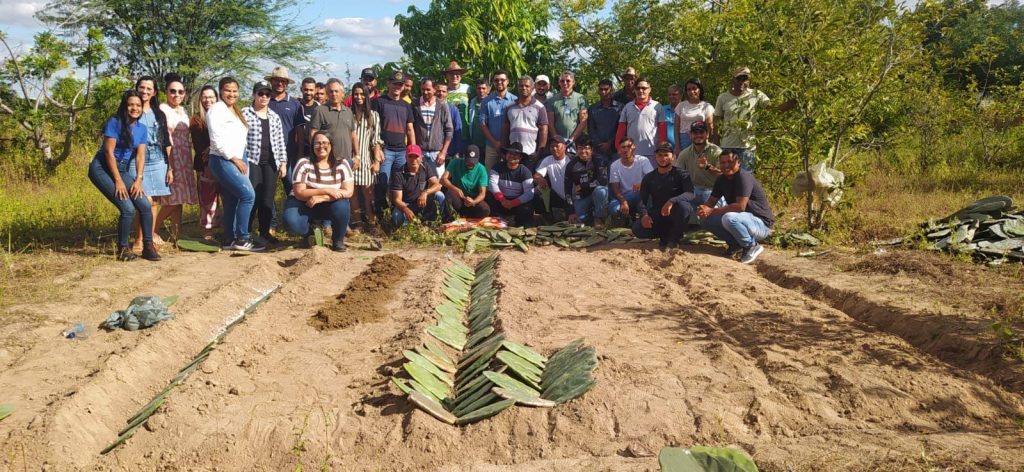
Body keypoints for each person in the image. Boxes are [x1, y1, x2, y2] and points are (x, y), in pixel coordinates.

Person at [88, 90, 160, 261]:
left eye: (138, 105)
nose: (134, 108)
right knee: (127, 208)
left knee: (145, 204)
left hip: (122, 169)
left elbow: (140, 155)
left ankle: (148, 246)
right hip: (102, 167)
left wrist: (138, 180)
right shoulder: (115, 123)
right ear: (124, 106)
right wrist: (118, 181)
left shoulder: (141, 129)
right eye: (130, 104)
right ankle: (123, 248)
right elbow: (108, 153)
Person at [207, 76, 263, 251]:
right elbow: (216, 140)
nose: (231, 94)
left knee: (232, 198)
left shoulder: (235, 110)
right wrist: (234, 158)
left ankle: (229, 238)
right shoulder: (217, 109)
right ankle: (243, 238)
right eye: (227, 90)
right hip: (224, 159)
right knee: (248, 195)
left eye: (234, 91)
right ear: (220, 91)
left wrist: (242, 157)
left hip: (239, 157)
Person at [697, 150, 775, 264]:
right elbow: (711, 201)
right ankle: (735, 244)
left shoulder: (743, 177)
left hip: (760, 224)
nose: (726, 165)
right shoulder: (721, 179)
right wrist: (703, 209)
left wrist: (711, 210)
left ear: (738, 162)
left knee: (729, 218)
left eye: (730, 162)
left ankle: (751, 246)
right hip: (741, 220)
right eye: (723, 163)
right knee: (705, 219)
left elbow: (740, 207)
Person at [284, 131, 354, 252]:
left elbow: (348, 191)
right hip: (303, 202)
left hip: (330, 202)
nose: (321, 146)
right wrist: (326, 190)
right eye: (317, 143)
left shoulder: (342, 163)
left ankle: (338, 240)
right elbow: (299, 193)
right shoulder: (303, 163)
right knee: (291, 222)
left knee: (343, 205)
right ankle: (309, 234)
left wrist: (323, 197)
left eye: (325, 143)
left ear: (331, 145)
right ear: (312, 146)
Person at [153, 74, 198, 242]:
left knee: (180, 198)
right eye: (173, 91)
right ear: (166, 92)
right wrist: (168, 164)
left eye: (180, 91)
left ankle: (176, 234)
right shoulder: (162, 110)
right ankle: (152, 231)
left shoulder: (182, 110)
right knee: (172, 199)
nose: (176, 95)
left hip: (184, 156)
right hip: (171, 156)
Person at [242, 80, 287, 245]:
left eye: (267, 94)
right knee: (252, 197)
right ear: (254, 94)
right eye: (260, 93)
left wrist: (283, 162)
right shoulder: (244, 113)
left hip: (270, 163)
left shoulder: (274, 117)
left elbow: (280, 141)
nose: (264, 97)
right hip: (252, 161)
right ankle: (245, 233)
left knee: (267, 199)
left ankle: (264, 232)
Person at [631, 142, 695, 250]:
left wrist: (672, 201)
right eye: (660, 155)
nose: (663, 158)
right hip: (658, 213)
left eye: (666, 155)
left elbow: (690, 193)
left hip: (676, 212)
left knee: (684, 207)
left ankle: (674, 239)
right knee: (637, 228)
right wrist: (644, 215)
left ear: (673, 157)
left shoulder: (681, 174)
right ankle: (664, 237)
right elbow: (642, 200)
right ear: (655, 157)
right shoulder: (649, 178)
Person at [133, 76, 172, 251]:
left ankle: (148, 239)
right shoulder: (132, 110)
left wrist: (170, 167)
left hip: (158, 159)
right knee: (143, 201)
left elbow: (166, 141)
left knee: (154, 201)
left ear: (154, 92)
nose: (145, 91)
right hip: (137, 159)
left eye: (149, 88)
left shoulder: (159, 114)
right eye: (142, 87)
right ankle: (138, 239)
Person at [373, 71, 416, 213]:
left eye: (400, 84)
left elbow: (410, 129)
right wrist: (377, 149)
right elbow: (373, 128)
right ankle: (379, 212)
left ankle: (395, 212)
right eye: (394, 84)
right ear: (388, 84)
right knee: (383, 182)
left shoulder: (406, 105)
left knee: (399, 183)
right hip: (385, 150)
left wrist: (413, 150)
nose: (397, 87)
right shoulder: (379, 102)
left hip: (402, 151)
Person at [714, 67, 770, 171]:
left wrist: (793, 101)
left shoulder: (757, 95)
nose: (741, 82)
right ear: (733, 79)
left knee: (746, 178)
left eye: (745, 79)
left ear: (749, 81)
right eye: (738, 78)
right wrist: (716, 145)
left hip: (747, 147)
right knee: (728, 176)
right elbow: (717, 122)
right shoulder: (723, 98)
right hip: (728, 147)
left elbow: (774, 109)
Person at [350, 82, 383, 230]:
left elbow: (376, 141)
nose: (359, 97)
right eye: (356, 94)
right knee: (352, 193)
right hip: (350, 159)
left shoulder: (373, 115)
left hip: (366, 159)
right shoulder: (347, 114)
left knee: (369, 193)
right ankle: (358, 223)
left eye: (362, 94)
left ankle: (372, 222)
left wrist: (376, 161)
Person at [190, 85, 220, 240]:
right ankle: (207, 230)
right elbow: (199, 146)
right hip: (205, 164)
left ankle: (224, 227)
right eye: (205, 97)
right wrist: (207, 164)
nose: (208, 100)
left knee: (225, 197)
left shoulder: (223, 116)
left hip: (223, 162)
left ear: (216, 98)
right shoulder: (196, 119)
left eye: (211, 97)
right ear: (200, 99)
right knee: (207, 198)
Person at [674, 121, 722, 214]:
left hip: (712, 192)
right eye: (695, 133)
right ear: (690, 135)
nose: (698, 135)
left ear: (707, 134)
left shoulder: (716, 151)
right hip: (692, 191)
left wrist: (708, 166)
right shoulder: (684, 153)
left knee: (711, 215)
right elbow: (677, 175)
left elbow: (723, 175)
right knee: (679, 205)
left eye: (701, 132)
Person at [390, 144, 444, 227]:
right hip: (407, 204)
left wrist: (425, 192)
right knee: (397, 217)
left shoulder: (425, 166)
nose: (413, 160)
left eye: (416, 156)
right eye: (410, 156)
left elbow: (438, 185)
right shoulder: (399, 174)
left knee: (439, 195)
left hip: (422, 202)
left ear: (421, 157)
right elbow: (397, 200)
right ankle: (410, 225)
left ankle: (435, 221)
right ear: (406, 158)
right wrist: (405, 209)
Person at [501, 75, 548, 170]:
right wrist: (503, 149)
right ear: (518, 87)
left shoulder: (540, 107)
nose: (524, 88)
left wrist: (538, 153)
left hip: (530, 154)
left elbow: (543, 130)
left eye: (527, 86)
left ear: (532, 88)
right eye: (521, 86)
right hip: (513, 153)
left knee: (528, 178)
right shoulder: (509, 107)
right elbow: (505, 129)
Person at [615, 77, 667, 159]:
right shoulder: (627, 107)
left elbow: (662, 129)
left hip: (652, 152)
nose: (640, 90)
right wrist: (619, 147)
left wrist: (662, 147)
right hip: (631, 153)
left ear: (649, 89)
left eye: (644, 88)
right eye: (638, 88)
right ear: (634, 90)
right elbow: (621, 129)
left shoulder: (657, 106)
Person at [564, 136, 609, 226]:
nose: (583, 151)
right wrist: (571, 211)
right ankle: (590, 216)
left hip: (597, 194)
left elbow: (602, 181)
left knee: (601, 191)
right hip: (582, 197)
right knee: (578, 220)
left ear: (591, 150)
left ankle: (599, 218)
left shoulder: (599, 160)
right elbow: (567, 190)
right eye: (580, 148)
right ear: (576, 150)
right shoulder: (571, 165)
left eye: (586, 148)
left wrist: (583, 186)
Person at [487, 142, 536, 227]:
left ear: (520, 157)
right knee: (488, 197)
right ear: (506, 155)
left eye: (516, 154)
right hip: (501, 201)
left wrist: (513, 203)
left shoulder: (525, 171)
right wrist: (502, 199)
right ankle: (497, 220)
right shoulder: (497, 167)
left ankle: (517, 223)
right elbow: (492, 184)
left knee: (527, 209)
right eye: (510, 153)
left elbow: (529, 193)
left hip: (517, 202)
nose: (512, 156)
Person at [412, 78, 453, 177]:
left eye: (428, 89)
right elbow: (410, 128)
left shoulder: (442, 106)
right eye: (423, 89)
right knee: (419, 182)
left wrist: (443, 152)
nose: (425, 92)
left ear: (434, 89)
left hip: (437, 153)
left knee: (438, 182)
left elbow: (449, 130)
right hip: (420, 152)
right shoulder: (415, 104)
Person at [608, 137, 653, 219]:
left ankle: (642, 216)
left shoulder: (643, 160)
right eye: (623, 147)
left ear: (634, 147)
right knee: (613, 208)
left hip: (640, 194)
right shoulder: (614, 165)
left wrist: (642, 184)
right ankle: (630, 216)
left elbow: (652, 178)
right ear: (619, 150)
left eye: (629, 146)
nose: (626, 149)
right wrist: (623, 201)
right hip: (625, 196)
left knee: (647, 194)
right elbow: (615, 188)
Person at [479, 70, 517, 169]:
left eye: (502, 80)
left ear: (507, 81)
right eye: (496, 80)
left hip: (510, 146)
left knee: (509, 173)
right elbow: (483, 124)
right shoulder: (486, 101)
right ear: (493, 82)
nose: (499, 82)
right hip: (491, 146)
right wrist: (495, 143)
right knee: (490, 173)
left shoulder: (515, 101)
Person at [441, 144, 490, 218]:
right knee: (449, 194)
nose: (470, 164)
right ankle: (450, 217)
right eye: (468, 161)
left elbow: (482, 193)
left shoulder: (482, 169)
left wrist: (473, 202)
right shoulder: (455, 162)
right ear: (464, 157)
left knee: (485, 210)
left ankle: (468, 215)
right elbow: (442, 179)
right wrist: (455, 189)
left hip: (473, 200)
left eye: (473, 162)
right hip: (458, 199)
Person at [532, 135, 571, 221]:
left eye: (557, 146)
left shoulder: (571, 160)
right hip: (557, 197)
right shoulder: (548, 160)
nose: (554, 148)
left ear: (564, 147)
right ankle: (547, 217)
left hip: (572, 197)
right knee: (537, 191)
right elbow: (537, 175)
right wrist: (541, 179)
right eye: (552, 146)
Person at [545, 70, 588, 143]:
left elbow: (583, 121)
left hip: (576, 142)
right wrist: (557, 139)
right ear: (559, 83)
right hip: (558, 142)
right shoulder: (552, 100)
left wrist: (571, 139)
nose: (565, 83)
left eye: (568, 81)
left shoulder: (581, 99)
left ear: (573, 82)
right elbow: (550, 123)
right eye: (562, 81)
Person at [674, 78, 714, 153]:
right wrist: (677, 146)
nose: (691, 92)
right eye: (688, 89)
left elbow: (710, 128)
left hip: (700, 138)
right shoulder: (681, 106)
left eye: (694, 88)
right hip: (684, 139)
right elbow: (676, 127)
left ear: (700, 90)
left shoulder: (707, 106)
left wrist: (707, 144)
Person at [587, 79, 621, 166]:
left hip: (615, 149)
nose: (603, 92)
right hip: (598, 150)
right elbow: (591, 129)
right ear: (598, 91)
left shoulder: (620, 108)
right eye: (601, 89)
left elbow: (620, 129)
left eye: (606, 89)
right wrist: (600, 144)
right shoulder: (592, 109)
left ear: (611, 90)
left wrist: (610, 143)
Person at [441, 61, 471, 142]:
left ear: (461, 76)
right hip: (447, 132)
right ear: (447, 76)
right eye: (451, 74)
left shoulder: (468, 89)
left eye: (457, 74)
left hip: (464, 131)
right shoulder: (443, 91)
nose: (454, 76)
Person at [435, 82, 463, 159]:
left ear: (447, 93)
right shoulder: (429, 108)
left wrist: (457, 151)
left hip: (450, 151)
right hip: (433, 150)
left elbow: (458, 130)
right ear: (434, 91)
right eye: (438, 91)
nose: (441, 93)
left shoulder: (453, 109)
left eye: (443, 91)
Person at [466, 77, 491, 152]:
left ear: (488, 89)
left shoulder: (491, 103)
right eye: (479, 88)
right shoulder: (472, 102)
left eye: (483, 88)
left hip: (488, 143)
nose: (481, 91)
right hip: (474, 142)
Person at [663, 84, 682, 151]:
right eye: (669, 94)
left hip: (683, 148)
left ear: (681, 95)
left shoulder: (686, 110)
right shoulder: (662, 110)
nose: (671, 96)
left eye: (674, 94)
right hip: (666, 150)